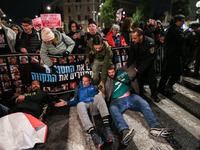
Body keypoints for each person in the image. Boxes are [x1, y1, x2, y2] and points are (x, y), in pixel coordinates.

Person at [105, 64, 175, 146]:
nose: (111, 74)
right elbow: (104, 89)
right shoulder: (107, 79)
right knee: (113, 109)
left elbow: (132, 68)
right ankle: (124, 131)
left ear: (116, 70)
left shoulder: (124, 71)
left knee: (144, 103)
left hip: (131, 97)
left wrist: (135, 69)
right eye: (109, 73)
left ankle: (155, 126)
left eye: (112, 72)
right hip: (117, 101)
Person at [54, 74, 114, 149]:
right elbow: (76, 101)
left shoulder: (94, 87)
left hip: (95, 105)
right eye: (83, 81)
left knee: (99, 96)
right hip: (86, 107)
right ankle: (93, 134)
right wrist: (67, 103)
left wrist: (103, 95)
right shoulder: (78, 88)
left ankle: (107, 128)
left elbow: (102, 97)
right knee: (79, 104)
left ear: (90, 81)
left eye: (86, 81)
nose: (84, 83)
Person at [159, 14, 193, 95]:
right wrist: (189, 34)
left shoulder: (173, 29)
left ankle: (161, 86)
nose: (183, 23)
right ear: (177, 21)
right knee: (178, 71)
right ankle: (169, 86)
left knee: (168, 70)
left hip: (171, 53)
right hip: (175, 54)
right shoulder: (176, 30)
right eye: (182, 21)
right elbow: (182, 39)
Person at [127, 28, 160, 102]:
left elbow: (149, 59)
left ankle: (154, 95)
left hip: (149, 64)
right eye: (132, 38)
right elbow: (131, 56)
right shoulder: (134, 42)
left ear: (141, 37)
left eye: (135, 38)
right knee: (139, 81)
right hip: (139, 63)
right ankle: (140, 95)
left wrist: (139, 69)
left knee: (152, 81)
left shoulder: (150, 43)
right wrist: (128, 67)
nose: (133, 40)